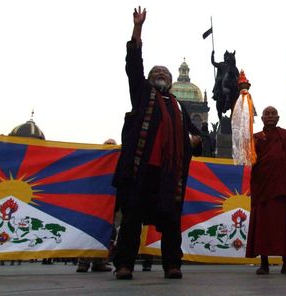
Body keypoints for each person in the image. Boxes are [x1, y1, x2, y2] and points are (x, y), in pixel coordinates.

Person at [112, 7, 202, 280]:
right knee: (131, 219)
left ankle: (172, 264)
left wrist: (196, 141)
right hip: (140, 169)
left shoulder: (178, 105)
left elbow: (197, 136)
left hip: (169, 172)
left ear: (171, 81)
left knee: (171, 220)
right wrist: (138, 28)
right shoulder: (141, 94)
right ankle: (124, 264)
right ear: (150, 79)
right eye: (156, 72)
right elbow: (133, 63)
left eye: (165, 72)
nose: (161, 74)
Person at [246, 106, 286, 275]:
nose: (270, 116)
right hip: (263, 187)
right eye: (267, 114)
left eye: (273, 114)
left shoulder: (285, 135)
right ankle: (264, 264)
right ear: (263, 118)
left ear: (278, 118)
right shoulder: (257, 138)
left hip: (280, 187)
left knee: (284, 225)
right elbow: (249, 158)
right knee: (262, 226)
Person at [76, 139, 117, 273]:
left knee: (108, 232)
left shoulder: (114, 165)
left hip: (109, 205)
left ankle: (99, 261)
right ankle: (84, 262)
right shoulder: (96, 165)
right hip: (95, 205)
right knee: (90, 231)